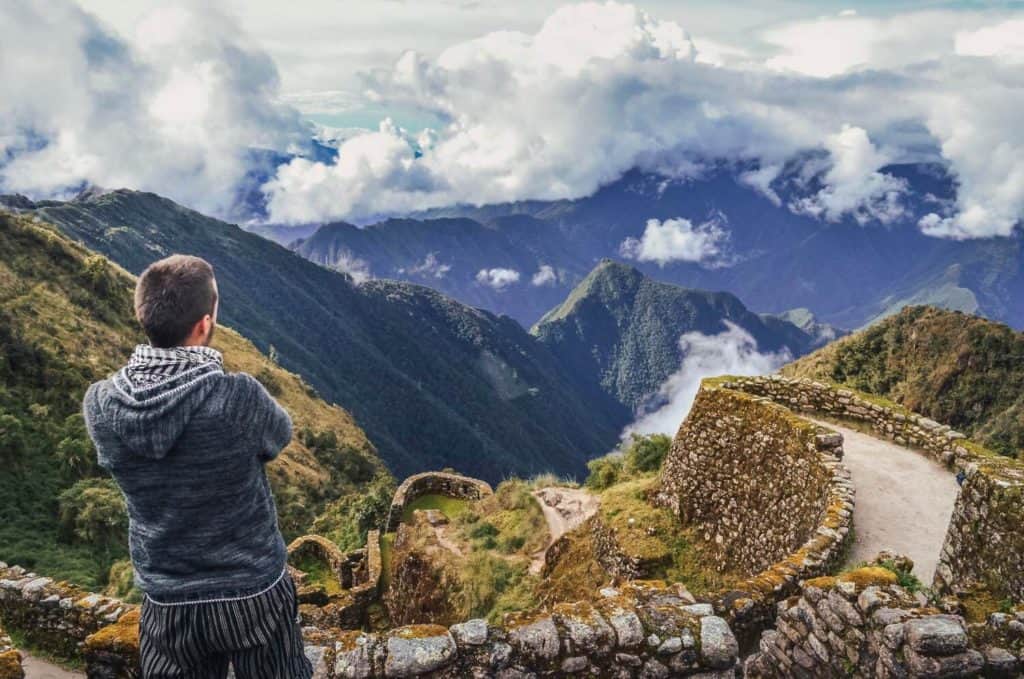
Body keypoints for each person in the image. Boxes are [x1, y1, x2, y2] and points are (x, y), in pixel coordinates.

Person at [83, 254, 312, 679]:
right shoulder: (238, 398)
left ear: (143, 316)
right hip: (253, 588)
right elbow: (278, 436)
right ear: (205, 324)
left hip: (168, 596)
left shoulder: (101, 405)